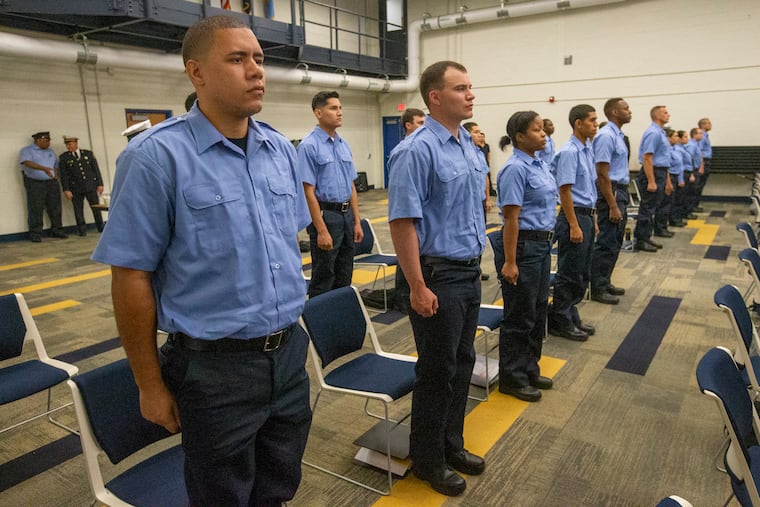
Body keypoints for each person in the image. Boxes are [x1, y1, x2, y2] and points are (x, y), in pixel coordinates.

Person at [91, 16, 312, 506]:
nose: (256, 70)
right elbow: (130, 276)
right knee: (222, 495)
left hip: (288, 355)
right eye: (237, 59)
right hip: (215, 371)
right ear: (197, 72)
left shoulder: (280, 150)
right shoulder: (155, 158)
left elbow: (282, 245)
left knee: (278, 486)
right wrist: (149, 384)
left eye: (258, 58)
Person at [387, 60, 487, 497]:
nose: (471, 94)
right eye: (461, 88)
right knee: (436, 371)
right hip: (436, 276)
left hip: (467, 272)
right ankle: (427, 459)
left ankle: (451, 444)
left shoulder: (466, 144)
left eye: (470, 87)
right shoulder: (416, 149)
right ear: (434, 97)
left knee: (462, 365)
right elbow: (403, 223)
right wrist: (417, 286)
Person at [491, 111, 557, 402]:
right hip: (524, 248)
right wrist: (509, 261)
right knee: (520, 315)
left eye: (543, 129)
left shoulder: (540, 164)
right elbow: (511, 219)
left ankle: (529, 368)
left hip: (542, 246)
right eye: (537, 130)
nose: (543, 134)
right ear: (520, 137)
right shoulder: (515, 169)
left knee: (538, 310)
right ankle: (512, 377)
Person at [298, 90, 363, 298]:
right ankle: (320, 325)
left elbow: (351, 185)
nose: (340, 112)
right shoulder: (309, 146)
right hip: (327, 216)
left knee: (345, 272)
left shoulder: (343, 145)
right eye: (333, 108)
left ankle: (340, 321)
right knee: (324, 275)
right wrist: (321, 230)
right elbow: (308, 191)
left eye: (340, 108)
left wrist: (357, 221)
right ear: (318, 113)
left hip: (346, 216)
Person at [547, 104, 598, 342]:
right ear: (578, 123)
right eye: (592, 120)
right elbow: (565, 191)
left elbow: (588, 190)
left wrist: (593, 220)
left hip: (586, 215)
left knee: (582, 271)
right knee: (570, 272)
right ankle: (560, 320)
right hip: (573, 216)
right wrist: (575, 224)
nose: (596, 125)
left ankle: (571, 313)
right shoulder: (569, 151)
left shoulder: (586, 150)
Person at [590, 98, 632, 305]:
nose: (630, 111)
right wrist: (613, 205)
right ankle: (597, 286)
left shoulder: (618, 135)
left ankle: (605, 281)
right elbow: (602, 173)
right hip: (611, 191)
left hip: (620, 190)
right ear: (614, 112)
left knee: (615, 241)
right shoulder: (606, 136)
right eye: (626, 109)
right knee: (606, 241)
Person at [633, 105, 672, 252]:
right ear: (657, 115)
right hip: (653, 172)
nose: (669, 115)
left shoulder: (660, 132)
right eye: (665, 113)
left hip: (660, 172)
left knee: (653, 207)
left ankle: (647, 237)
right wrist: (651, 181)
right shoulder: (653, 133)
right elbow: (647, 157)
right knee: (647, 208)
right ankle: (641, 240)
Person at [19, 131, 68, 242]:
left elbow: (55, 165)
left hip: (51, 183)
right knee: (36, 208)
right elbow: (26, 162)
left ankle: (57, 230)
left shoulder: (50, 151)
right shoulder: (27, 150)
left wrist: (56, 174)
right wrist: (43, 168)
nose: (48, 143)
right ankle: (35, 233)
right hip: (35, 183)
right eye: (46, 141)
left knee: (55, 207)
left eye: (49, 141)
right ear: (38, 140)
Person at [58, 135, 105, 236]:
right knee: (78, 209)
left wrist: (100, 184)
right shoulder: (64, 157)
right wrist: (66, 189)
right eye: (67, 145)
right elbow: (63, 175)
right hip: (75, 187)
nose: (69, 147)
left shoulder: (87, 154)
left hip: (90, 185)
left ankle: (100, 226)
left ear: (76, 143)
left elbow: (96, 170)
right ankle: (82, 229)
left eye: (70, 144)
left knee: (96, 207)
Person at [464, 121, 492, 281]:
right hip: (471, 203)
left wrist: (487, 198)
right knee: (471, 235)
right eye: (476, 132)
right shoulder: (465, 154)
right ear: (467, 135)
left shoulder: (479, 153)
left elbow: (485, 177)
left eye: (480, 132)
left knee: (480, 235)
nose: (480, 135)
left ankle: (478, 269)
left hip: (481, 201)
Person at [685, 127, 704, 216]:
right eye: (700, 133)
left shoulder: (696, 144)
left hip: (695, 169)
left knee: (694, 191)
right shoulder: (691, 145)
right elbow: (689, 159)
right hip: (692, 170)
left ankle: (691, 209)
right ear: (694, 134)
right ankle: (687, 211)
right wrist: (691, 174)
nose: (701, 135)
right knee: (690, 192)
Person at [695, 117, 713, 209]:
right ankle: (693, 206)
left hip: (706, 161)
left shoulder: (705, 135)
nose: (710, 125)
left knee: (701, 184)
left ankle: (695, 205)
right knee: (698, 185)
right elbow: (699, 151)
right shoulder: (701, 136)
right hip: (703, 162)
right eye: (708, 123)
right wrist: (701, 165)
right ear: (702, 125)